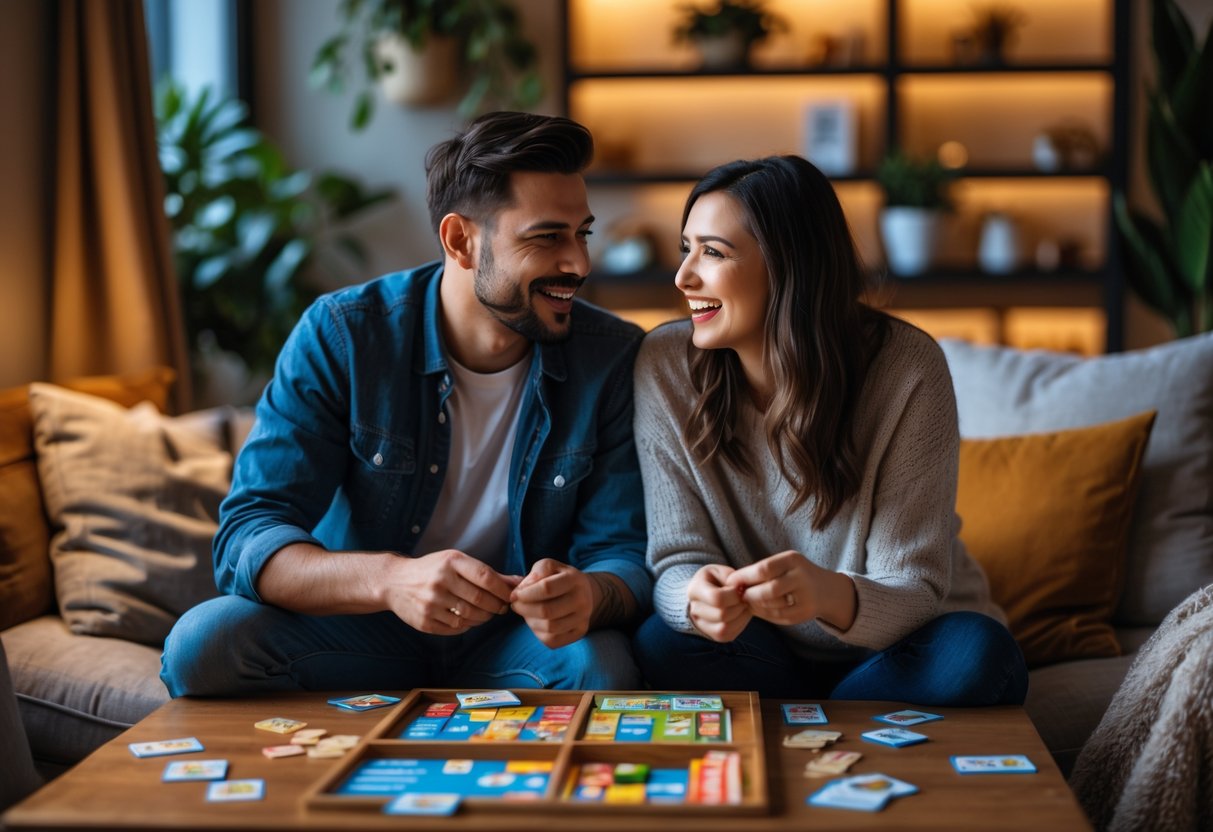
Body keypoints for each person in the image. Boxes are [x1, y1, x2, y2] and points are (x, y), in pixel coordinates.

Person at [161, 112, 651, 696]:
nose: (578, 263)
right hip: (363, 634)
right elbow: (248, 534)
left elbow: (623, 554)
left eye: (583, 233)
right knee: (204, 645)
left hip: (516, 644)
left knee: (601, 667)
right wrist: (392, 581)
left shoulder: (613, 356)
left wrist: (591, 595)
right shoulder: (343, 335)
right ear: (461, 240)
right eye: (547, 237)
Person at [631, 155, 1028, 705]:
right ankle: (835, 716)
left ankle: (807, 716)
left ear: (788, 265)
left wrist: (825, 594)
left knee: (979, 654)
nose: (683, 277)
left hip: (898, 647)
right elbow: (677, 557)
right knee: (662, 640)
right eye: (686, 248)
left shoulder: (907, 368)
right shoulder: (665, 364)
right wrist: (694, 599)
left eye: (713, 253)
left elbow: (914, 590)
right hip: (764, 649)